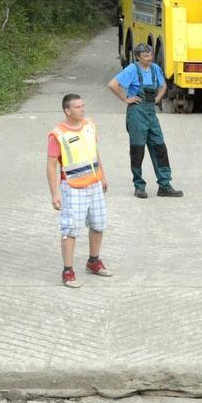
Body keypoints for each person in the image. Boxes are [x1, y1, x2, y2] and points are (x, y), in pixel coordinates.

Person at [48, 93, 113, 288]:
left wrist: (102, 175)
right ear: (67, 111)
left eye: (83, 106)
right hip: (73, 188)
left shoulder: (90, 125)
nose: (82, 110)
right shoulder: (57, 134)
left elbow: (95, 151)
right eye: (77, 107)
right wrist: (55, 193)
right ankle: (68, 270)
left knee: (99, 224)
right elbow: (51, 165)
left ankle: (93, 261)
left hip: (94, 185)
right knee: (70, 229)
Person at [106, 44, 182, 199]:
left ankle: (164, 185)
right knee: (137, 150)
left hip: (151, 113)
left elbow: (163, 86)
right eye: (146, 56)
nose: (150, 58)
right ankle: (139, 186)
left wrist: (157, 99)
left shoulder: (155, 69)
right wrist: (126, 99)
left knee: (160, 147)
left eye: (150, 55)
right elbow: (112, 84)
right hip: (136, 113)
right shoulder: (132, 70)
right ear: (138, 57)